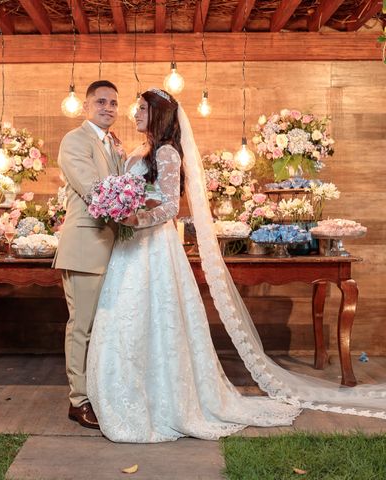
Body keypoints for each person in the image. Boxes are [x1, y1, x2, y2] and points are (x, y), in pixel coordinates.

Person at [86, 88, 386, 443]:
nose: (134, 114)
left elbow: (168, 207)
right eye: (134, 108)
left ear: (159, 115)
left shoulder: (167, 152)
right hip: (130, 250)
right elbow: (137, 190)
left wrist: (134, 219)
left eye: (141, 110)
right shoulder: (139, 150)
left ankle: (167, 399)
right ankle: (126, 391)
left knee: (157, 317)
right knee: (126, 315)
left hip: (152, 245)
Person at [53, 80, 125, 429]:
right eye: (101, 101)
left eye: (113, 102)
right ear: (86, 106)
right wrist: (143, 213)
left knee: (102, 327)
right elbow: (96, 192)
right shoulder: (75, 141)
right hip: (84, 247)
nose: (108, 107)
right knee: (81, 327)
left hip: (111, 248)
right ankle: (78, 401)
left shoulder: (112, 144)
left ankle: (97, 391)